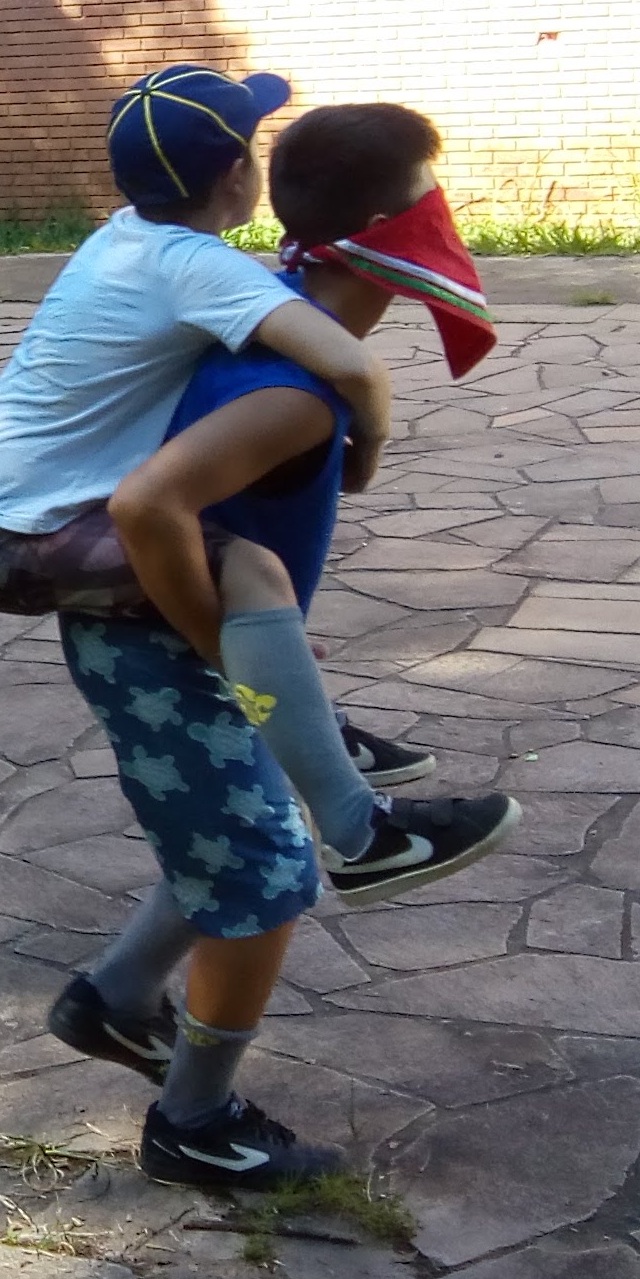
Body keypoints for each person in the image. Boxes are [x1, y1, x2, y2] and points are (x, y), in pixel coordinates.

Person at [45, 103, 519, 1189]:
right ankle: (194, 1124)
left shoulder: (284, 327)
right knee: (263, 876)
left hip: (187, 639)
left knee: (234, 834)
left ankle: (114, 998)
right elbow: (147, 507)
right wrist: (221, 652)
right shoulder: (293, 392)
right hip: (161, 652)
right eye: (433, 198)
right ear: (400, 234)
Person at [0, 64, 439, 878]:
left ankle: (315, 728)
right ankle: (359, 833)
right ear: (237, 175)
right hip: (13, 539)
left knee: (252, 605)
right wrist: (369, 450)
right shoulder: (200, 266)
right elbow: (355, 367)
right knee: (252, 577)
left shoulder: (126, 238)